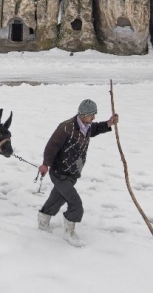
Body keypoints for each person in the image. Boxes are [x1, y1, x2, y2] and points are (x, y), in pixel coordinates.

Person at [37, 99, 118, 246]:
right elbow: (51, 147)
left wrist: (108, 123)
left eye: (94, 115)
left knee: (59, 197)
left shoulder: (86, 126)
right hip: (60, 172)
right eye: (91, 115)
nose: (93, 118)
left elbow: (94, 129)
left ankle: (43, 220)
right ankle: (69, 233)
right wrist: (45, 164)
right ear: (82, 114)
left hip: (73, 172)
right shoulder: (65, 128)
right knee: (76, 204)